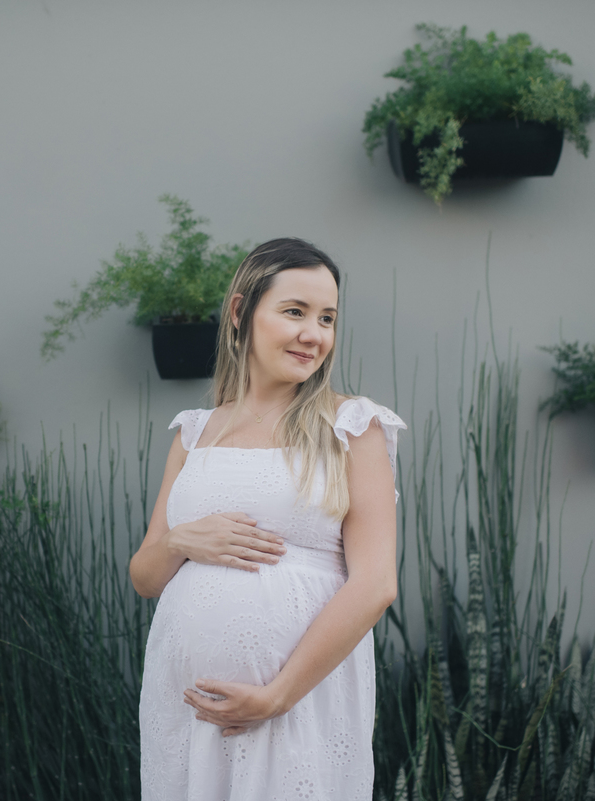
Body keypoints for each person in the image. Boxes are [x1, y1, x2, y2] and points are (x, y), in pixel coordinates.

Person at [130, 238, 406, 800]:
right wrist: (183, 539)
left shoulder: (352, 427)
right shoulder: (195, 433)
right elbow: (147, 576)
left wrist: (278, 695)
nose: (314, 334)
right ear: (239, 312)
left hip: (296, 703)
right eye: (295, 312)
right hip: (186, 709)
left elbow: (376, 585)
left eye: (327, 318)